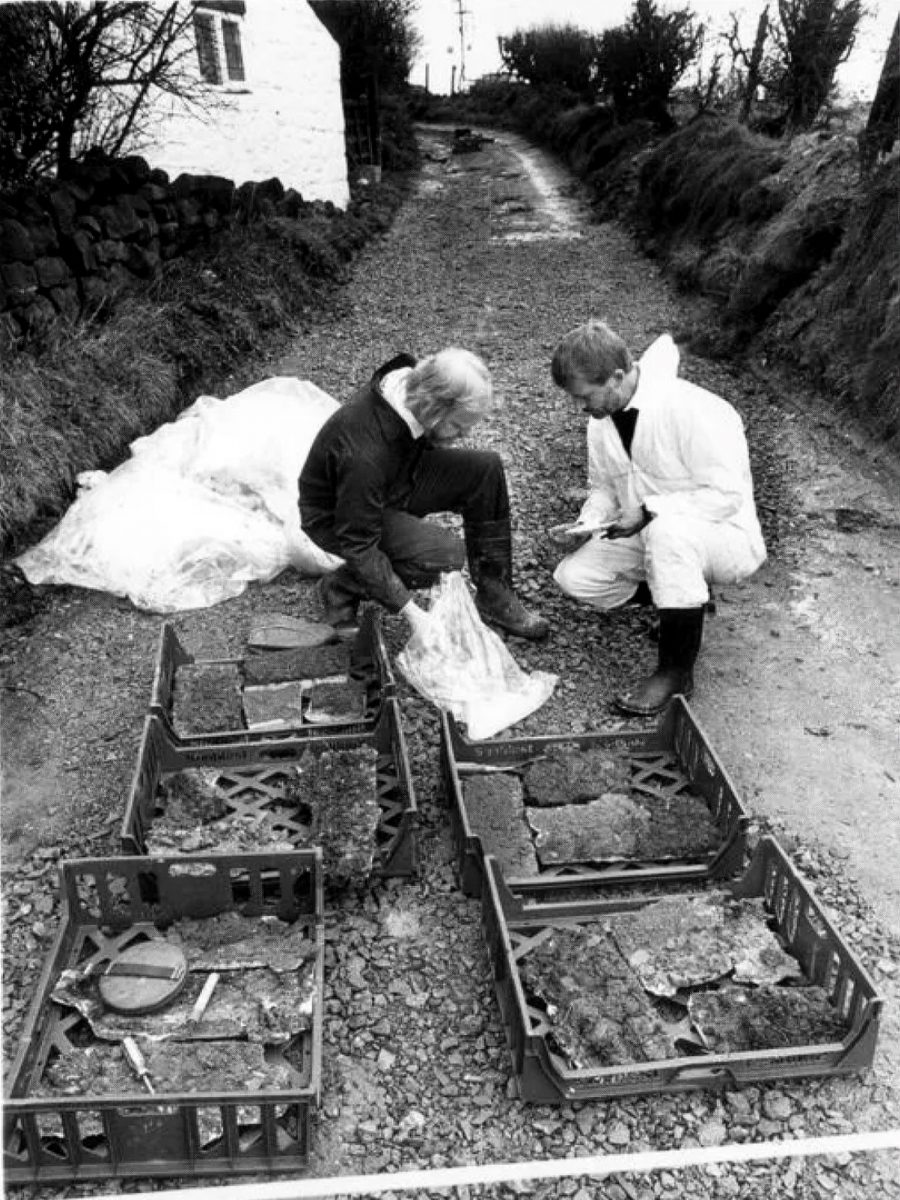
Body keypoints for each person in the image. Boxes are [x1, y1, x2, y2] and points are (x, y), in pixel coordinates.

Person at [549, 320, 766, 715]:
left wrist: (650, 510)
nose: (581, 407)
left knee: (668, 533)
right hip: (652, 532)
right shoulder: (600, 424)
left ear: (617, 377)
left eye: (585, 396)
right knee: (573, 577)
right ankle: (681, 604)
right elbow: (602, 487)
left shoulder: (694, 408)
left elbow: (727, 495)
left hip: (724, 534)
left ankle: (675, 671)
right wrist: (587, 522)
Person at [299, 348, 548, 642]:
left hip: (398, 473)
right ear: (433, 408)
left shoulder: (415, 385)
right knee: (443, 556)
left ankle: (494, 595)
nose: (463, 435)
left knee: (485, 470)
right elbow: (358, 543)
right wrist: (413, 614)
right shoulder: (365, 453)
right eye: (457, 425)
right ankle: (341, 588)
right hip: (338, 514)